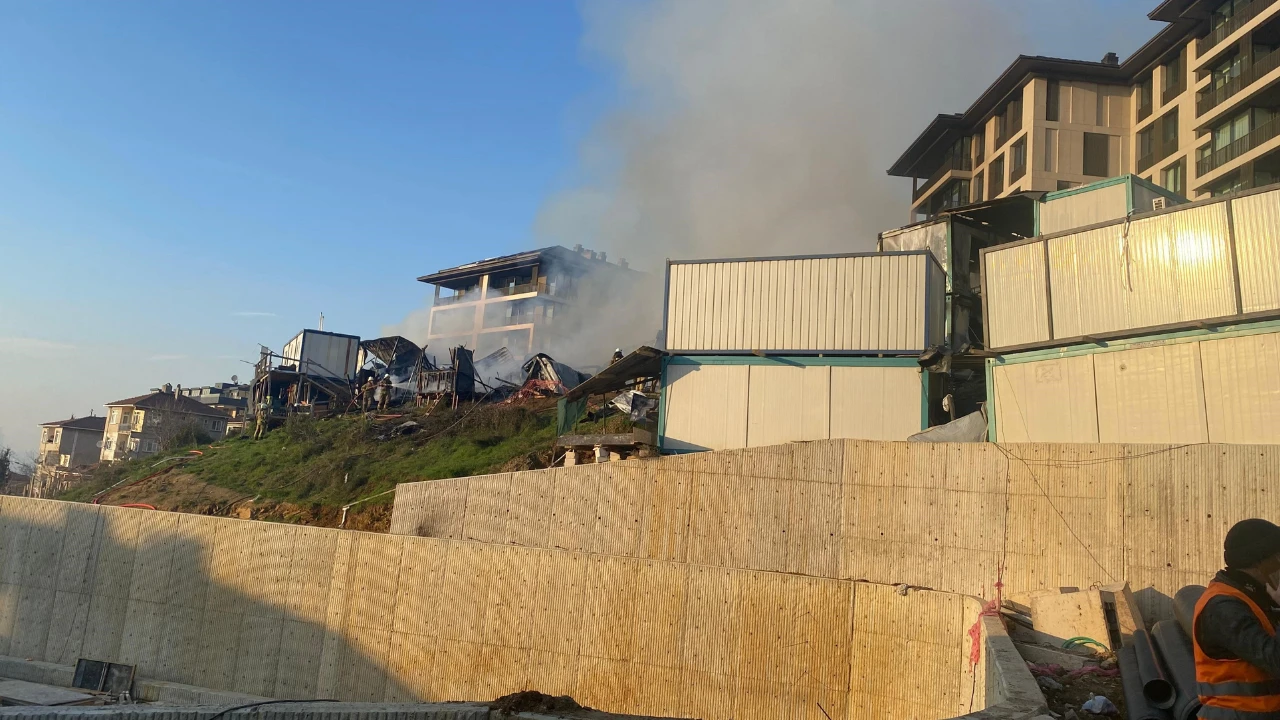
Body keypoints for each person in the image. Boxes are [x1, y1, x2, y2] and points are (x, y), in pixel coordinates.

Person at [1193, 518, 1280, 720]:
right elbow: (1275, 659)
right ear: (1260, 561)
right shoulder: (1223, 607)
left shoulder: (1255, 596)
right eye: (1277, 556)